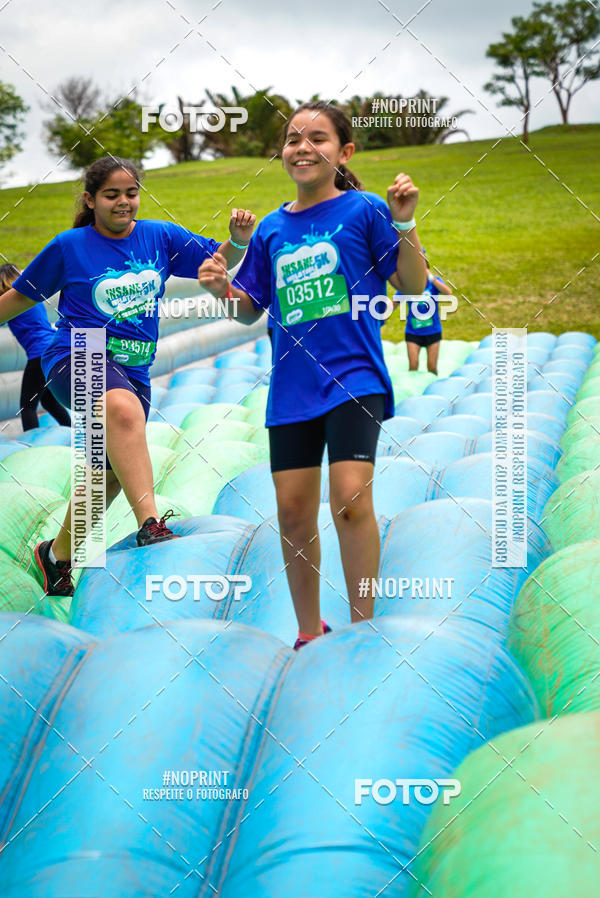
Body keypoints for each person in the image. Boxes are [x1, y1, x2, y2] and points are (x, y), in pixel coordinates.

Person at [198, 101, 426, 648]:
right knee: (294, 511)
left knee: (350, 500)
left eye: (318, 137)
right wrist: (218, 292)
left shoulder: (366, 210)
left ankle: (364, 628)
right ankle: (308, 630)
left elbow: (414, 285)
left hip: (354, 378)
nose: (304, 146)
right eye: (294, 138)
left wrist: (406, 222)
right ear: (282, 153)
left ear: (343, 152)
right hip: (292, 389)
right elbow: (249, 308)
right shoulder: (272, 229)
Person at [0, 156, 255, 598]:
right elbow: (15, 301)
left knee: (111, 475)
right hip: (76, 354)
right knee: (121, 408)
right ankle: (150, 524)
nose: (123, 202)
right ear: (91, 199)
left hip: (134, 367)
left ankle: (56, 556)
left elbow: (213, 264)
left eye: (131, 193)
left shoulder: (161, 236)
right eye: (112, 194)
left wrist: (236, 241)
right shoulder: (69, 246)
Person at [0, 264, 71, 431]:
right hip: (52, 350)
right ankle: (70, 432)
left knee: (26, 407)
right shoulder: (29, 298)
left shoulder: (12, 304)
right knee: (48, 401)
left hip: (39, 355)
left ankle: (31, 447)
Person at [390, 255, 453, 375]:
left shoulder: (434, 282)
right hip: (413, 332)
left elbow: (448, 293)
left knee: (432, 367)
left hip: (433, 331)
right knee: (413, 366)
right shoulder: (408, 285)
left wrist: (431, 278)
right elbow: (394, 303)